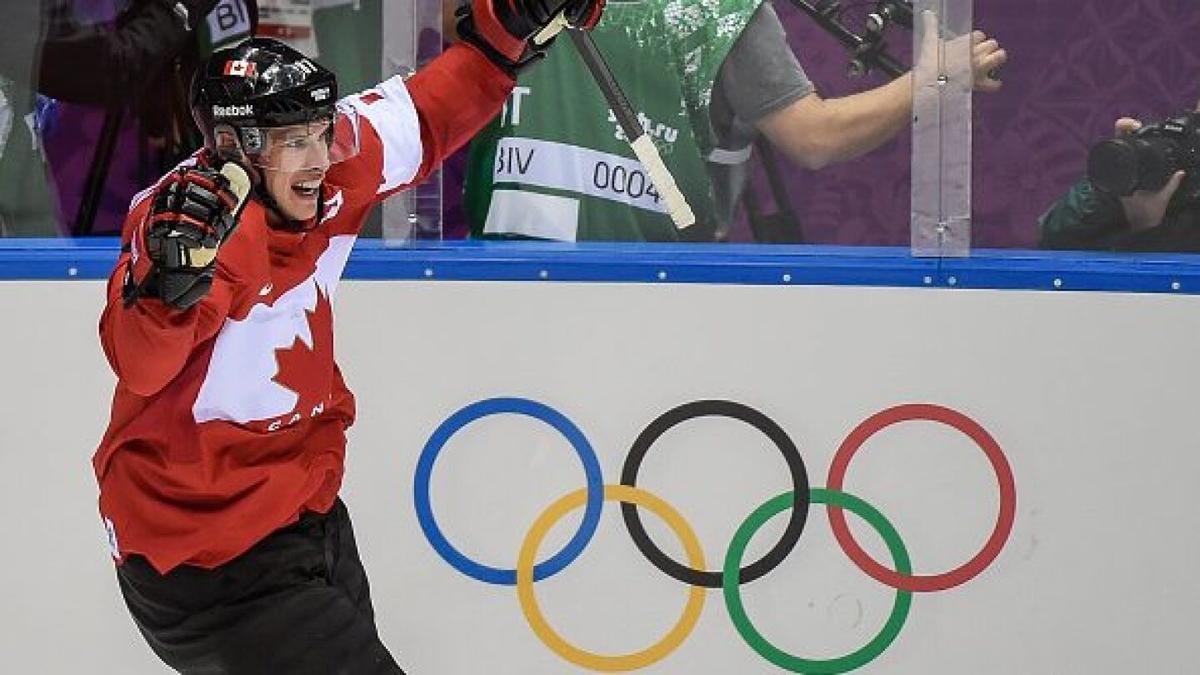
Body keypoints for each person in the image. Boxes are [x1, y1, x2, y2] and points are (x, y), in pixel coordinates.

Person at [92, 0, 604, 672]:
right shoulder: (190, 228)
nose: (319, 157)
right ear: (234, 148)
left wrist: (508, 28)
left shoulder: (333, 164)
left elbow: (428, 111)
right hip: (205, 558)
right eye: (294, 141)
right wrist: (165, 287)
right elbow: (141, 363)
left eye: (320, 131)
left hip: (307, 517)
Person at [459, 0, 1007, 242]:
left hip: (504, 280)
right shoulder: (719, 9)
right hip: (644, 289)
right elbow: (813, 138)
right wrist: (929, 81)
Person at [1038, 103, 1200, 252]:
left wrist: (1146, 229)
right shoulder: (1163, 166)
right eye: (1196, 120)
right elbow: (1053, 246)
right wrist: (1115, 182)